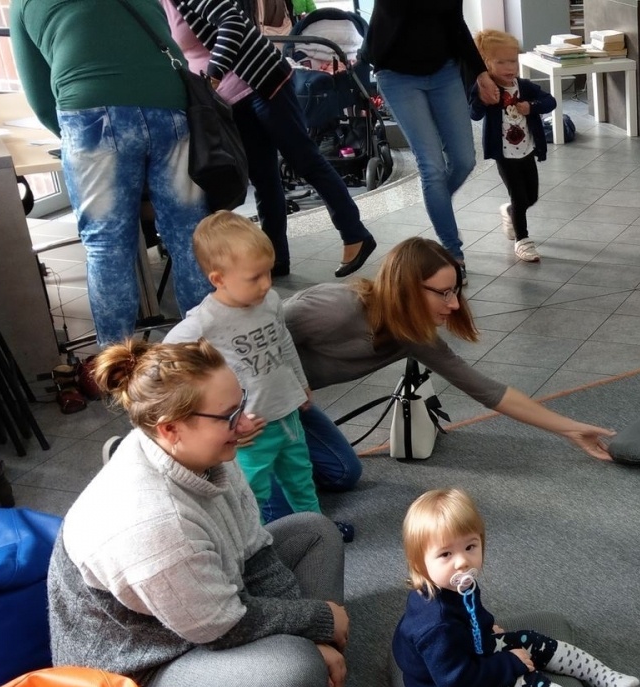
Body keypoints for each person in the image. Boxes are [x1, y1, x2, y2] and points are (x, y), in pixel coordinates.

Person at [46, 339, 351, 687]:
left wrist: (315, 635)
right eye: (229, 417)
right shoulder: (155, 522)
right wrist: (317, 622)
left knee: (316, 532)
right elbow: (225, 627)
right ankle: (310, 682)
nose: (246, 425)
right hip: (141, 675)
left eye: (240, 404)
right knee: (294, 673)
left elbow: (256, 555)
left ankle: (317, 672)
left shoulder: (202, 454)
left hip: (199, 614)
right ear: (170, 428)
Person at [274, 238, 615, 516]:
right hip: (246, 402)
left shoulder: (413, 337)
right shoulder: (336, 308)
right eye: (443, 292)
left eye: (455, 291)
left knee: (343, 473)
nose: (453, 304)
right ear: (406, 287)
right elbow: (242, 336)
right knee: (269, 494)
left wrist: (570, 429)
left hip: (291, 405)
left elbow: (488, 391)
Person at [11, 0, 212, 345]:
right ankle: (207, 353)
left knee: (106, 245)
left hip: (91, 115)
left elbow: (41, 99)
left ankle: (121, 369)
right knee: (189, 235)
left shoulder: (24, 4)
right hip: (172, 108)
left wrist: (79, 143)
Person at [163, 212, 355, 541]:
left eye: (268, 272)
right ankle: (257, 542)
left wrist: (301, 381)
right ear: (218, 279)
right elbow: (167, 353)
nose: (266, 283)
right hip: (251, 426)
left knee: (301, 476)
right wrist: (216, 415)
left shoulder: (270, 300)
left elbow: (283, 341)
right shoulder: (206, 320)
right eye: (255, 277)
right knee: (255, 489)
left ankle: (318, 527)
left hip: (288, 411)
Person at [394, 489, 638, 687]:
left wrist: (486, 628)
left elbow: (473, 613)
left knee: (530, 640)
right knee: (524, 685)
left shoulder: (459, 585)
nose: (462, 562)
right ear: (420, 565)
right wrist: (509, 663)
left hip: (469, 654)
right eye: (446, 554)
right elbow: (458, 679)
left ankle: (602, 677)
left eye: (470, 547)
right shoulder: (436, 627)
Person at [161, 0, 377, 278]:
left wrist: (212, 76)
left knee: (305, 161)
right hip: (230, 100)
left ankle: (355, 235)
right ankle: (275, 258)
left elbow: (232, 22)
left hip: (260, 79)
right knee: (264, 178)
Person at [365, 0, 500, 263]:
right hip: (397, 76)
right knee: (432, 167)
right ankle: (452, 252)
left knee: (464, 161)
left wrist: (481, 73)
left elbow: (455, 22)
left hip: (444, 72)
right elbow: (403, 9)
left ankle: (439, 206)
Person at [469, 30, 558, 264]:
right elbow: (474, 114)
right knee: (519, 196)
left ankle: (510, 212)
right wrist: (480, 97)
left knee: (531, 196)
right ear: (486, 63)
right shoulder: (487, 90)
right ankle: (523, 239)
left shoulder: (524, 87)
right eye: (501, 62)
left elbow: (550, 101)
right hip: (505, 155)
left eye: (513, 61)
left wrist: (532, 106)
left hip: (527, 150)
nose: (510, 67)